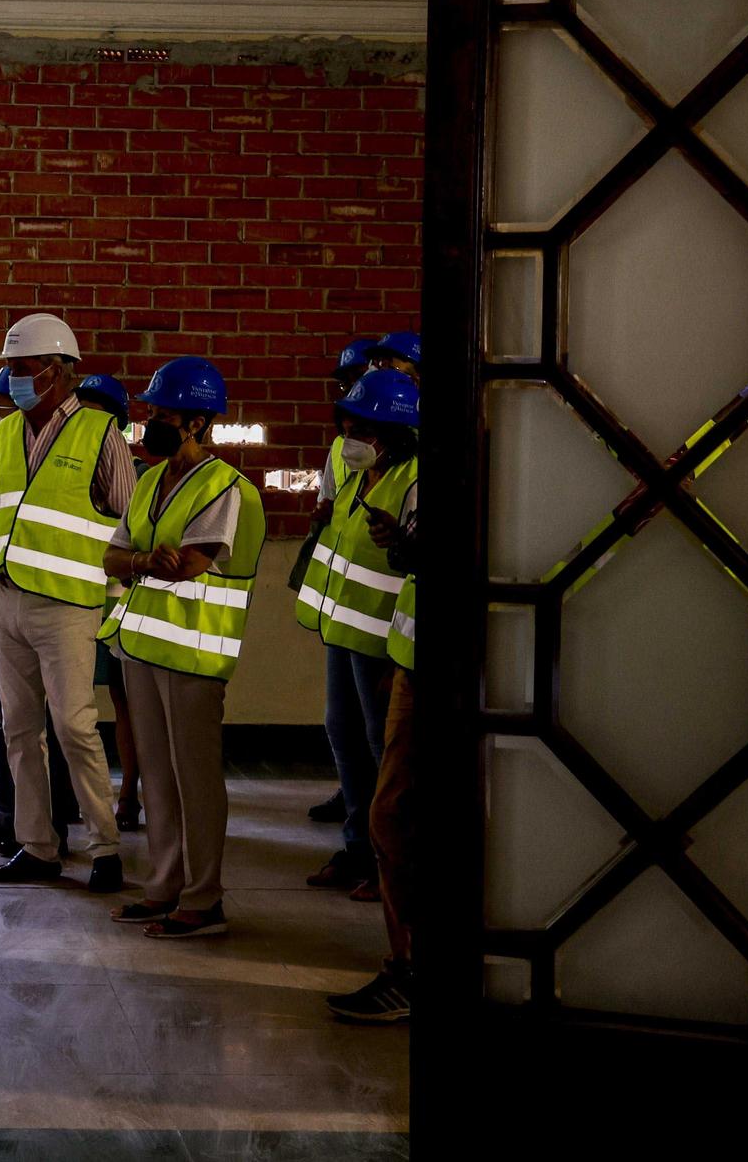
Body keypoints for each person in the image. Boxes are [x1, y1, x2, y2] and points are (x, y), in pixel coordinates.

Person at [99, 357, 264, 938]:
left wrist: (148, 562)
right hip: (142, 648)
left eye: (162, 413)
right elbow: (112, 558)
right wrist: (147, 560)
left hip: (194, 654)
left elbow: (192, 565)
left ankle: (204, 897)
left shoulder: (226, 489)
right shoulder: (148, 480)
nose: (151, 421)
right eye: (148, 411)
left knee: (195, 777)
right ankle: (162, 887)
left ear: (197, 422)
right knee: (159, 777)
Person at [0, 313, 137, 894]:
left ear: (61, 372)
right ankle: (37, 845)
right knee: (19, 730)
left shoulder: (100, 433)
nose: (13, 381)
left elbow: (129, 521)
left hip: (68, 605)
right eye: (10, 370)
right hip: (7, 601)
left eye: (23, 370)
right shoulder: (4, 435)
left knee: (74, 727)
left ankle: (105, 848)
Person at [294, 369, 420, 897]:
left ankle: (391, 862)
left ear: (391, 432)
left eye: (362, 427)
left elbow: (420, 559)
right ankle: (357, 849)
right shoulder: (353, 477)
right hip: (343, 630)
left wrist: (399, 539)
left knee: (379, 748)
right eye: (347, 424)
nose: (350, 437)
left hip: (383, 642)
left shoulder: (414, 479)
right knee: (343, 735)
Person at [0, 369, 78, 850]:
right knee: (15, 721)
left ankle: (53, 822)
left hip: (54, 603)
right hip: (5, 600)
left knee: (57, 723)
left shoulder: (63, 449)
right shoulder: (1, 447)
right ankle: (15, 816)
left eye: (0, 405)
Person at [329, 463, 419, 1022]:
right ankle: (405, 966)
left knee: (398, 817)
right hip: (410, 656)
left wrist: (409, 548)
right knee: (393, 818)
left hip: (440, 665)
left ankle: (412, 975)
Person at [306, 337, 379, 825]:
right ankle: (357, 832)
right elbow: (330, 513)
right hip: (342, 610)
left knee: (379, 734)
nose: (349, 391)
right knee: (343, 726)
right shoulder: (344, 452)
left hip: (383, 622)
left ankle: (380, 844)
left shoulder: (410, 467)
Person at [76, 372, 146, 831]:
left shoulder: (137, 475)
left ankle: (128, 795)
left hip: (121, 604)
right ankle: (77, 798)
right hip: (77, 600)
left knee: (127, 703)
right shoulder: (65, 471)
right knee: (73, 706)